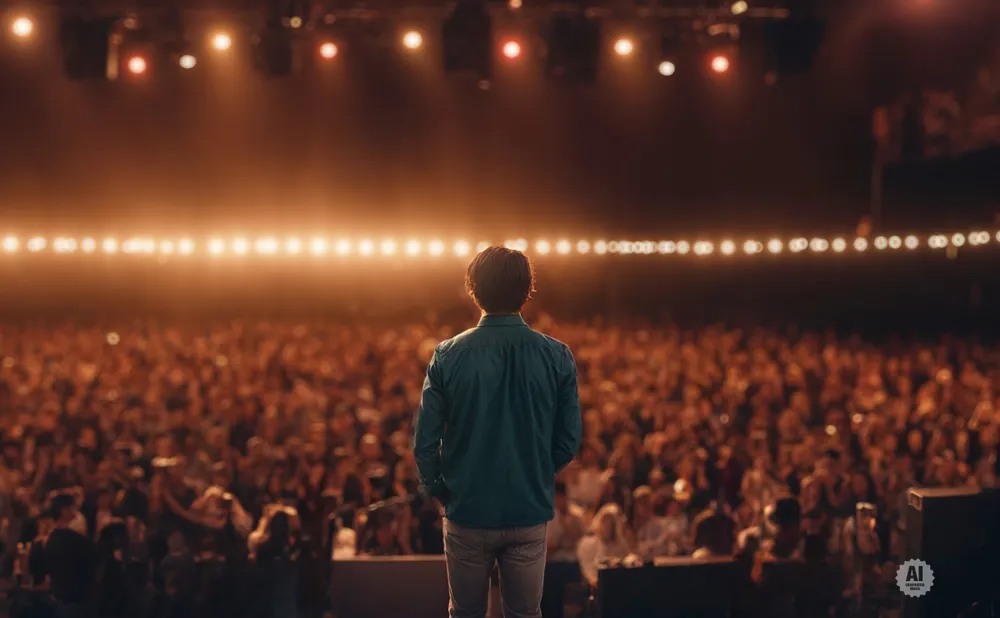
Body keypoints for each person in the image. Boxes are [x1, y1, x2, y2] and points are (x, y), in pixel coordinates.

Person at [413, 246, 583, 618]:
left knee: (466, 613)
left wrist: (441, 490)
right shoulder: (557, 355)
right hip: (528, 509)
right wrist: (533, 473)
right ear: (527, 290)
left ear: (473, 290)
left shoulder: (447, 354)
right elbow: (569, 441)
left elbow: (425, 443)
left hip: (467, 509)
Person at [43, 492, 97, 618]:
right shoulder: (76, 540)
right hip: (76, 601)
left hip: (59, 597)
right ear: (64, 510)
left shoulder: (51, 539)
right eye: (72, 507)